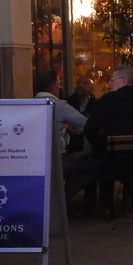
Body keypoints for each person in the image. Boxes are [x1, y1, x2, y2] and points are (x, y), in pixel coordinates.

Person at [83, 66, 133, 215]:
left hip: (114, 163)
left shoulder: (107, 101)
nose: (109, 84)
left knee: (100, 161)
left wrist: (101, 149)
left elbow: (89, 130)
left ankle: (107, 206)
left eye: (112, 80)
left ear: (124, 81)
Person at [34, 72, 96, 208]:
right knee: (93, 166)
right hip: (56, 159)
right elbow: (87, 125)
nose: (60, 87)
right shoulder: (58, 105)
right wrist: (87, 150)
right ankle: (61, 198)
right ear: (53, 86)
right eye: (59, 84)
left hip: (34, 161)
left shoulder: (29, 105)